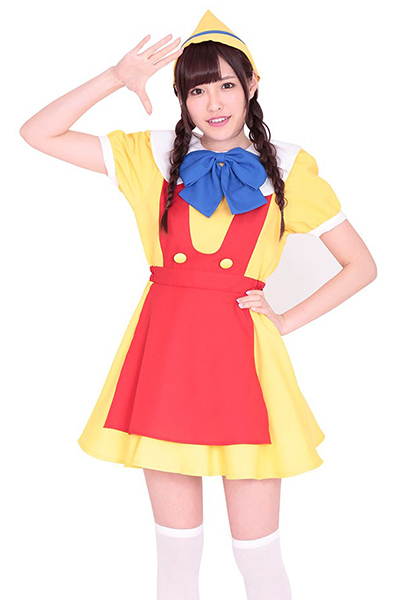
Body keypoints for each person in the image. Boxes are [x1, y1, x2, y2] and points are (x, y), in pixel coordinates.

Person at [19, 9, 377, 600]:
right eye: (196, 89)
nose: (214, 102)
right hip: (167, 360)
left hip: (247, 365)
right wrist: (115, 77)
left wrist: (285, 320)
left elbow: (361, 266)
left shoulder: (288, 168)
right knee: (177, 558)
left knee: (257, 556)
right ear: (182, 98)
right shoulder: (151, 156)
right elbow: (38, 133)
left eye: (227, 84)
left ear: (252, 85)